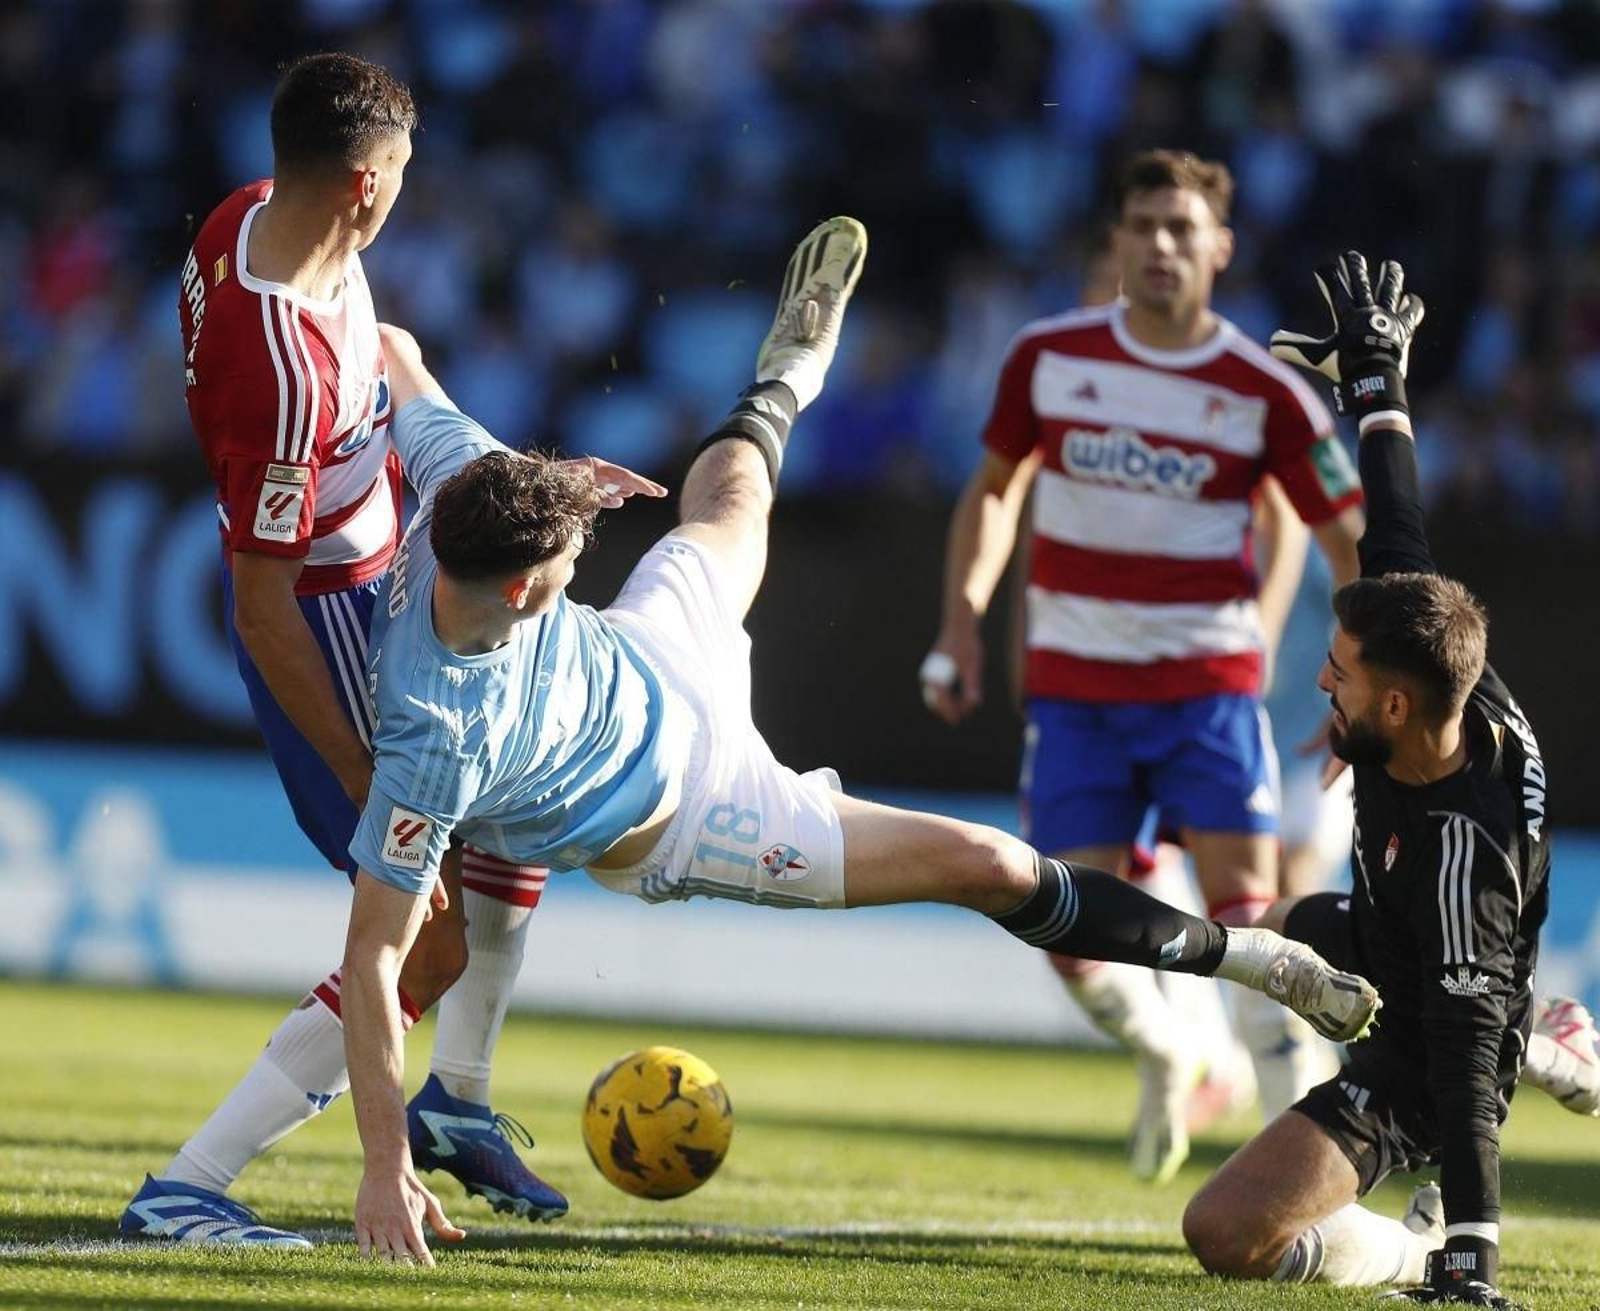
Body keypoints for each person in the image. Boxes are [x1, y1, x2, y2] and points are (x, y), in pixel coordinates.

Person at [336, 215, 1379, 1265]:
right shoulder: (439, 733)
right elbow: (374, 958)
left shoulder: (455, 495)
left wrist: (323, 279)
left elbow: (398, 357)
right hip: (699, 814)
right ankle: (1252, 961)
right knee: (986, 864)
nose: (579, 551)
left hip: (652, 662)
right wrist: (383, 1172)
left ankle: (783, 378)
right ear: (519, 588)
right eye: (561, 563)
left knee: (734, 498)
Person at [121, 53, 601, 1249]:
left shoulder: (259, 213)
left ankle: (458, 1097)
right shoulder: (278, 370)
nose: (401, 195)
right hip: (334, 632)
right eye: (395, 176)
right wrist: (356, 774)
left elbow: (368, 341)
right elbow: (264, 606)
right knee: (423, 937)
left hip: (388, 568)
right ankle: (190, 1186)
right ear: (358, 186)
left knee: (516, 803)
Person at [922, 149, 1366, 1182]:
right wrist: (960, 623)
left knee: (1249, 919)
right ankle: (1166, 1050)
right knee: (1067, 935)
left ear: (1220, 249)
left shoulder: (1265, 393)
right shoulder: (1047, 359)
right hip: (1076, 696)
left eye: (1181, 229)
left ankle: (1294, 1173)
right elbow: (992, 491)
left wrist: (1350, 676)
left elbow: (1347, 537)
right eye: (1142, 226)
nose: (1160, 246)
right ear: (1116, 242)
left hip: (1207, 693)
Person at [1181, 252, 1539, 1307]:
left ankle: (1409, 1244)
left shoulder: (1456, 866)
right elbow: (1394, 521)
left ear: (1392, 707)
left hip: (1425, 1052)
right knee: (1251, 915)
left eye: (1334, 684)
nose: (1318, 696)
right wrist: (1374, 380)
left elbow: (1466, 1086)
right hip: (1376, 931)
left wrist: (1471, 1258)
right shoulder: (1425, 655)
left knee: (1224, 1234)